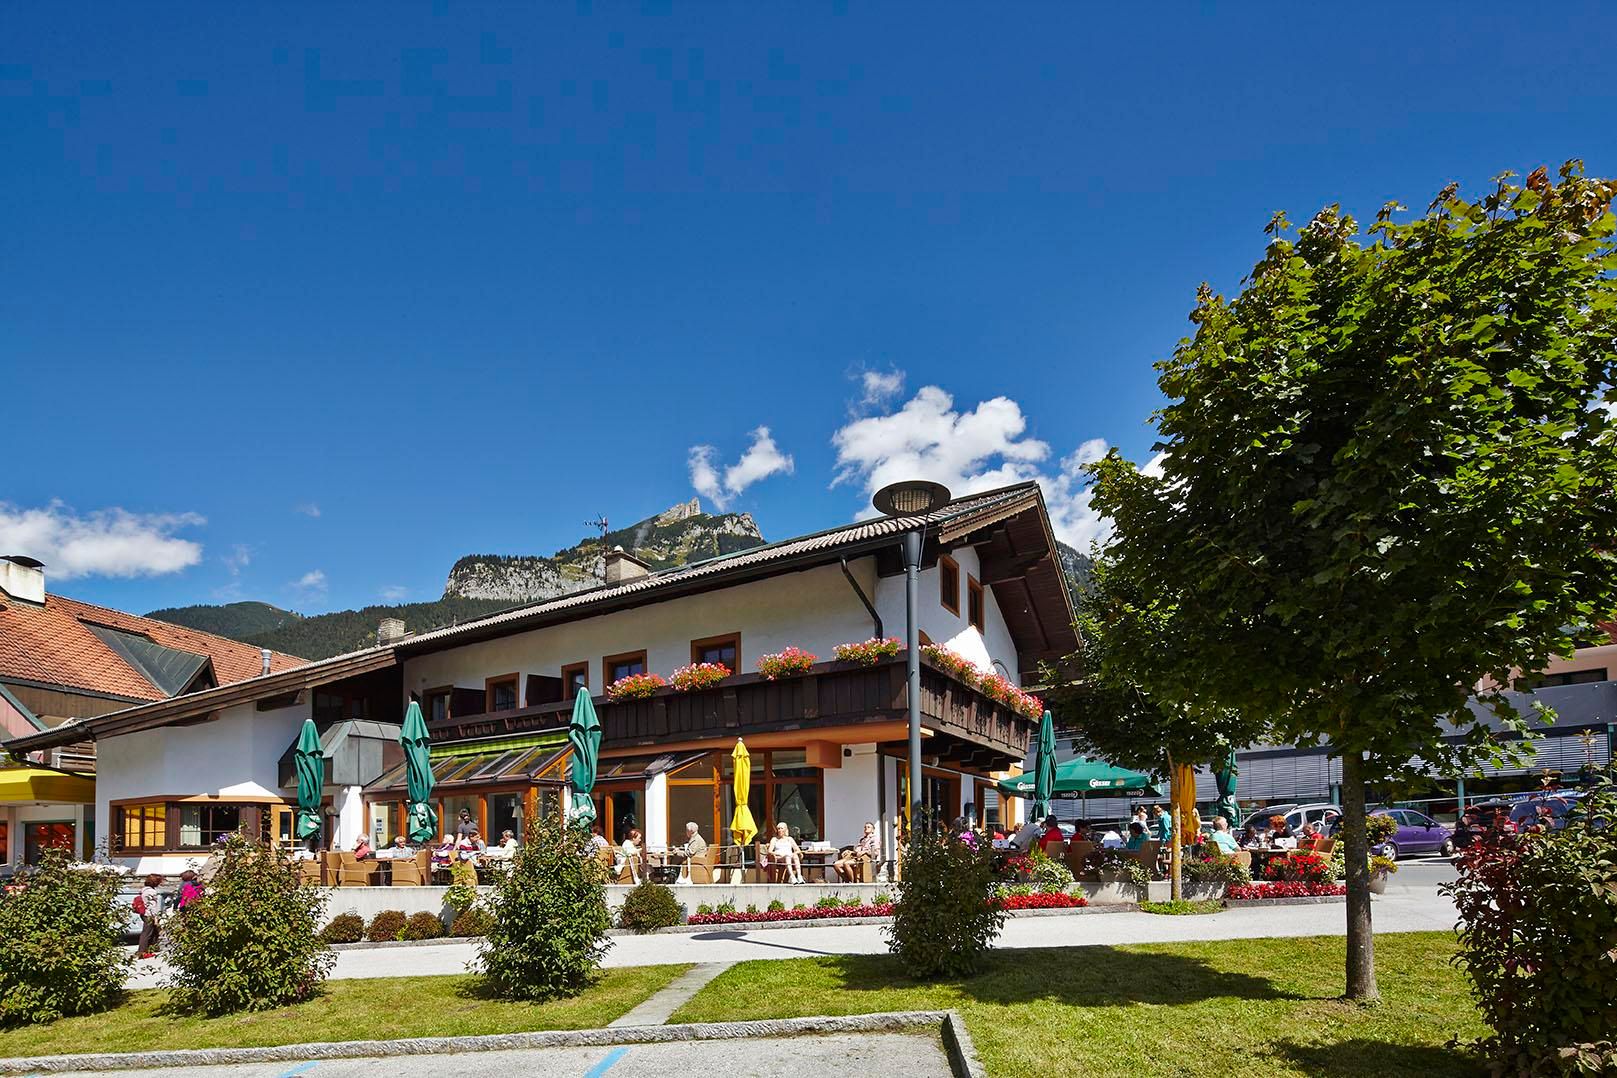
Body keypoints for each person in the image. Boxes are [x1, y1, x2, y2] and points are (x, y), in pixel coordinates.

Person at [135, 873, 164, 958]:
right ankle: (142, 952)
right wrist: (155, 918)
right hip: (149, 914)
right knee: (147, 933)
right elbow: (152, 906)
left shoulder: (144, 890)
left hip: (144, 913)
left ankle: (149, 949)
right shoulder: (151, 892)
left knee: (152, 932)